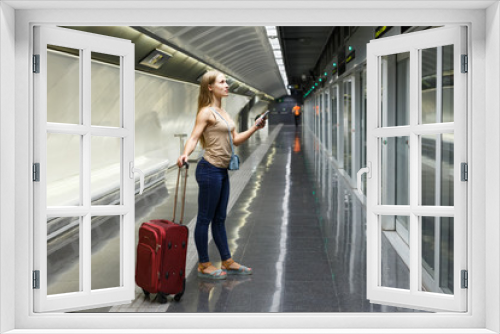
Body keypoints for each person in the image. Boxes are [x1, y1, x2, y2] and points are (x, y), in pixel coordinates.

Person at [177, 70, 266, 280]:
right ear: (210, 87)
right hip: (209, 169)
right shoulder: (206, 112)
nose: (227, 85)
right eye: (222, 82)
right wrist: (184, 154)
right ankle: (204, 264)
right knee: (205, 218)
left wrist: (254, 127)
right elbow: (193, 137)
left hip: (222, 171)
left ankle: (227, 260)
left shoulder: (225, 113)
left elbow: (235, 140)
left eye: (227, 82)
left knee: (220, 218)